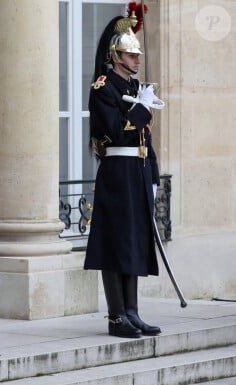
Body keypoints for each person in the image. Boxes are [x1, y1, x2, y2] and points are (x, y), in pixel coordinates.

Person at [84, 12, 165, 339]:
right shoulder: (104, 87)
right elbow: (116, 132)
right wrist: (143, 108)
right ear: (116, 57)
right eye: (131, 55)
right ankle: (116, 317)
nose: (136, 60)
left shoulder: (133, 86)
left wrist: (155, 174)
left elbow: (145, 138)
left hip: (138, 170)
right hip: (117, 171)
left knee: (132, 242)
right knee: (115, 243)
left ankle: (132, 311)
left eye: (137, 55)